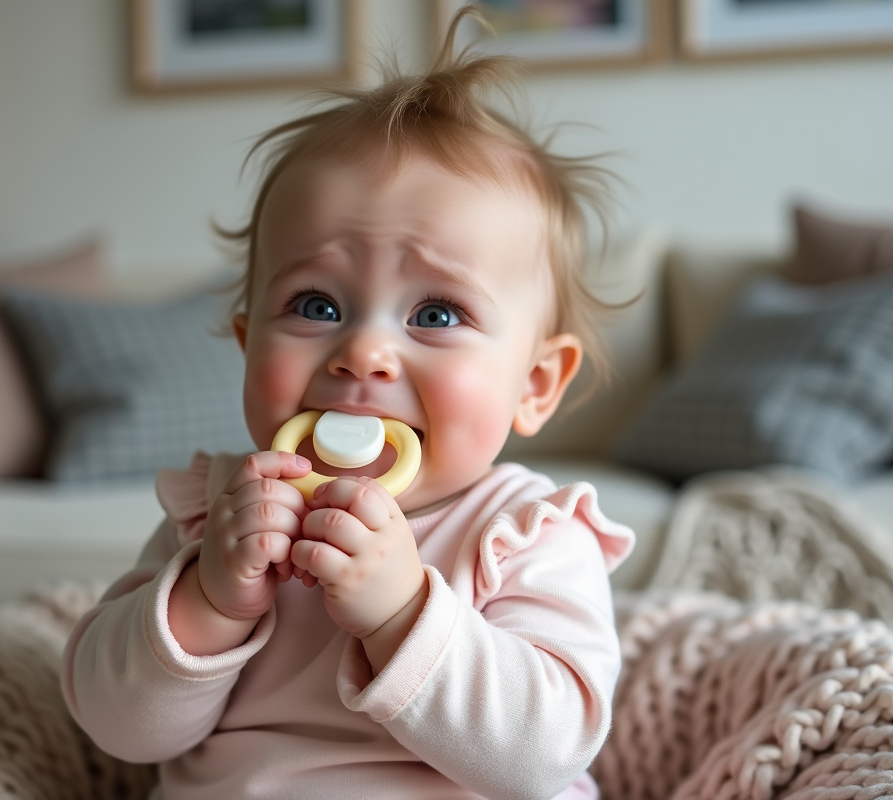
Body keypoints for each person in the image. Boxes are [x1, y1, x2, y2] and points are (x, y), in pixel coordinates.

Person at [62, 10, 635, 799]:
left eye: (436, 315)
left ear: (535, 385)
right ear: (245, 342)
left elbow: (549, 754)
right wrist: (208, 599)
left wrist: (402, 615)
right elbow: (118, 728)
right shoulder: (218, 512)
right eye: (317, 306)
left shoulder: (526, 532)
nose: (363, 352)